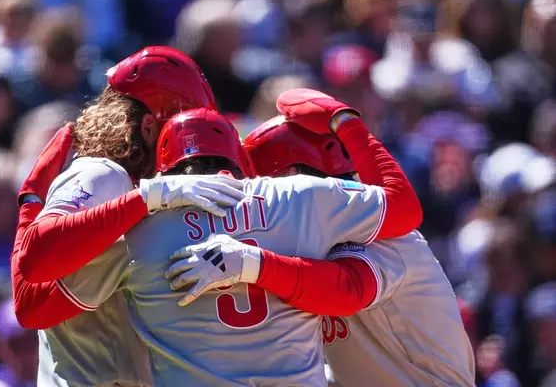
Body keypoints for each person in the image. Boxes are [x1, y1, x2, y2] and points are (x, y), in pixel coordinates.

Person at [51, 104, 421, 386]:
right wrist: (344, 120)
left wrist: (33, 206)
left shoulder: (135, 232)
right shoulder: (299, 195)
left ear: (164, 168)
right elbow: (405, 210)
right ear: (236, 154)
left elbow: (36, 305)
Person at [165, 89, 476, 386]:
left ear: (292, 179)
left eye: (267, 188)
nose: (260, 202)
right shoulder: (317, 230)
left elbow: (348, 289)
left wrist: (251, 263)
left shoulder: (383, 235)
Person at [10, 46, 245, 386]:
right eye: (177, 132)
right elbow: (33, 279)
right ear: (148, 128)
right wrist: (147, 198)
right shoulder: (103, 175)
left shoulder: (139, 185)